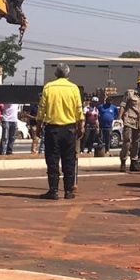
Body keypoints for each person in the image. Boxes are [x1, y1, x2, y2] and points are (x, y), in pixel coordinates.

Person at [38, 63, 85, 200]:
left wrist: (39, 126)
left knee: (52, 160)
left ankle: (53, 191)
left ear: (56, 74)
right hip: (69, 130)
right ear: (68, 74)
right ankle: (68, 191)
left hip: (53, 130)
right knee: (69, 161)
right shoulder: (74, 88)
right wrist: (81, 126)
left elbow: (42, 109)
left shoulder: (49, 87)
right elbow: (79, 109)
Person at [120, 79, 140, 172]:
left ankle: (134, 161)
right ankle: (123, 162)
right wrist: (119, 118)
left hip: (139, 122)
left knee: (137, 143)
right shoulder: (129, 93)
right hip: (129, 120)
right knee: (127, 141)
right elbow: (123, 105)